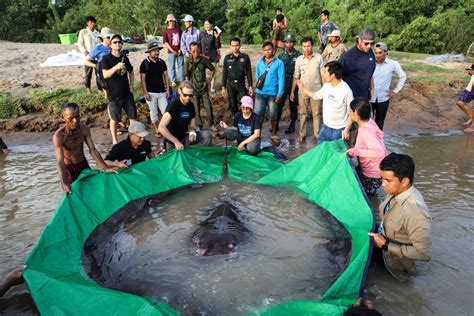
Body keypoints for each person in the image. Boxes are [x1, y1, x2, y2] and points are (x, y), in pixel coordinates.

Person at [369, 153, 432, 280]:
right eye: (382, 179)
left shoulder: (415, 211)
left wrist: (385, 245)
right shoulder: (395, 191)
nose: (382, 184)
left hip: (393, 263)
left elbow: (423, 254)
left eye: (388, 180)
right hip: (382, 240)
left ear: (404, 181)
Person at [53, 103, 115, 193]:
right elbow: (60, 161)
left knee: (92, 191)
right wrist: (64, 183)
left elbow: (93, 150)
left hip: (83, 165)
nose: (75, 121)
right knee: (73, 194)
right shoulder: (59, 136)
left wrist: (106, 168)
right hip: (69, 170)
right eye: (70, 118)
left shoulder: (84, 130)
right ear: (62, 117)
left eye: (77, 117)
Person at [298, 61, 353, 144]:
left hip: (339, 131)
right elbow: (316, 95)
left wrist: (346, 130)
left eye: (325, 72)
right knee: (322, 152)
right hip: (325, 128)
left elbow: (351, 113)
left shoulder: (346, 91)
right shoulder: (327, 85)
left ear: (333, 76)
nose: (323, 74)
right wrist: (303, 88)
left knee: (336, 154)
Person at [101, 34, 137, 144]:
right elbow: (105, 74)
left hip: (126, 92)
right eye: (115, 42)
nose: (118, 44)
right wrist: (116, 67)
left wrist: (131, 85)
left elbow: (131, 71)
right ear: (110, 45)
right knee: (115, 119)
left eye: (119, 42)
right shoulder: (106, 58)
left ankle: (133, 139)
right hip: (114, 94)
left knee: (133, 117)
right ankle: (114, 141)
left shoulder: (124, 58)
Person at [347, 98, 388, 196]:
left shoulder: (366, 131)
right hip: (373, 168)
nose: (348, 113)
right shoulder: (369, 121)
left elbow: (379, 152)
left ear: (356, 113)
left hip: (372, 174)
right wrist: (346, 130)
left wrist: (357, 151)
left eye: (350, 111)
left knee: (364, 197)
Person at [159, 81, 212, 150]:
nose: (187, 98)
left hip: (184, 137)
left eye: (190, 95)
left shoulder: (191, 106)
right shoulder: (173, 105)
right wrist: (176, 142)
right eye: (185, 95)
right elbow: (161, 127)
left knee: (206, 135)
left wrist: (193, 131)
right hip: (172, 142)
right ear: (179, 91)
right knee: (179, 160)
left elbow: (192, 125)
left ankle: (206, 155)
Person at [291, 36, 324, 142]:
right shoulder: (299, 60)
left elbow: (323, 75)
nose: (307, 48)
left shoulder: (319, 58)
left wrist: (325, 90)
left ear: (312, 46)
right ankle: (302, 134)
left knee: (316, 113)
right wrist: (292, 92)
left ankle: (317, 134)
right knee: (303, 113)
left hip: (317, 90)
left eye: (308, 46)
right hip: (303, 91)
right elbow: (296, 77)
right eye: (304, 46)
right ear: (301, 47)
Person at [371, 42, 407, 130]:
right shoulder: (369, 63)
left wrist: (395, 91)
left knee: (380, 122)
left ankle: (378, 141)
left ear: (386, 53)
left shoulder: (393, 64)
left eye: (380, 53)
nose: (377, 55)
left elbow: (403, 76)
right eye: (375, 53)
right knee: (367, 122)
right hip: (369, 98)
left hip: (383, 98)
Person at [254, 41, 285, 143]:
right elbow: (258, 77)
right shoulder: (259, 63)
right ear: (263, 51)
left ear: (273, 50)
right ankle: (258, 134)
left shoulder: (279, 63)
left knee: (273, 115)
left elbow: (281, 79)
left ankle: (273, 133)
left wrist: (280, 93)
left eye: (269, 49)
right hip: (260, 93)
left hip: (273, 94)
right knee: (258, 115)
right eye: (265, 50)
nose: (267, 52)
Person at [140, 42, 171, 137]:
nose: (156, 53)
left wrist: (168, 90)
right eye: (154, 51)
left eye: (157, 50)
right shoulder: (144, 63)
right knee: (154, 113)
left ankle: (164, 128)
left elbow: (166, 76)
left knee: (166, 112)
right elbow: (142, 80)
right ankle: (157, 129)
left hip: (162, 92)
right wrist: (145, 93)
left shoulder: (162, 62)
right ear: (149, 52)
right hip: (150, 93)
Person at [183, 42, 216, 130]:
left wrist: (209, 80)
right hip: (193, 88)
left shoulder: (204, 60)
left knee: (208, 106)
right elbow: (186, 76)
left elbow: (212, 69)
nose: (196, 53)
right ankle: (198, 125)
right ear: (190, 51)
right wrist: (188, 88)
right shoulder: (187, 62)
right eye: (193, 51)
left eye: (197, 50)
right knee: (196, 108)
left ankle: (211, 124)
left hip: (204, 87)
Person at [339, 29, 376, 100]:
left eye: (372, 43)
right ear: (359, 40)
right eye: (366, 43)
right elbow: (335, 74)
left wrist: (372, 87)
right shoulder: (348, 55)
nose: (369, 46)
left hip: (365, 96)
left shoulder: (370, 52)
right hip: (351, 97)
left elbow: (369, 71)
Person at [221, 37, 253, 115]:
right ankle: (235, 120)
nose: (235, 47)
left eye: (237, 45)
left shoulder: (245, 57)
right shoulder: (227, 58)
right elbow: (224, 72)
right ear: (230, 46)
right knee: (232, 104)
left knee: (245, 102)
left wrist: (250, 86)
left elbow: (248, 72)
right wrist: (223, 87)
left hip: (241, 84)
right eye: (233, 45)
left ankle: (245, 120)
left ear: (240, 45)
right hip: (230, 84)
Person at [278, 34, 302, 134]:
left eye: (291, 42)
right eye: (287, 42)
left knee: (293, 105)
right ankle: (276, 125)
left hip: (295, 83)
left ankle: (292, 125)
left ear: (294, 43)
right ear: (284, 43)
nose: (289, 44)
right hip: (283, 83)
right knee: (279, 105)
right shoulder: (281, 56)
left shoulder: (299, 55)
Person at [84, 27, 113, 97]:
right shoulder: (98, 48)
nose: (110, 39)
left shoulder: (114, 45)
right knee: (108, 94)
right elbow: (86, 61)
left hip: (113, 71)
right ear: (103, 38)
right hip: (103, 73)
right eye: (108, 37)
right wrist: (96, 66)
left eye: (111, 37)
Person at [77, 16, 99, 94]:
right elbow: (80, 43)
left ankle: (100, 88)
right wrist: (84, 51)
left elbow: (99, 44)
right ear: (87, 23)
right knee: (88, 73)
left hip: (97, 56)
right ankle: (88, 89)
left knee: (98, 73)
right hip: (88, 55)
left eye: (94, 22)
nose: (92, 24)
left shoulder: (97, 33)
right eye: (91, 22)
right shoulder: (84, 32)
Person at [199, 17, 221, 93]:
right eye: (205, 24)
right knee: (202, 72)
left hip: (213, 56)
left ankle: (212, 87)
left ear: (211, 25)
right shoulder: (201, 34)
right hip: (203, 56)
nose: (206, 26)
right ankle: (204, 86)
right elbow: (199, 45)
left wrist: (217, 38)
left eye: (208, 24)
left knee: (213, 72)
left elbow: (218, 46)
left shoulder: (215, 34)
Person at [162, 14, 183, 87]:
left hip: (180, 51)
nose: (171, 22)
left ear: (175, 21)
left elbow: (182, 40)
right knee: (172, 66)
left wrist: (180, 49)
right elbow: (165, 42)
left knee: (181, 65)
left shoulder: (178, 29)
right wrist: (172, 50)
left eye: (173, 20)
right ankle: (173, 81)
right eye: (170, 21)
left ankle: (181, 80)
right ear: (167, 21)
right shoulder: (165, 30)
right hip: (171, 52)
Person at [456, 64, 474, 133]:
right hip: (469, 90)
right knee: (460, 103)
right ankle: (471, 117)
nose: (471, 71)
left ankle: (473, 126)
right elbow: (470, 71)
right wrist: (469, 71)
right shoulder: (472, 71)